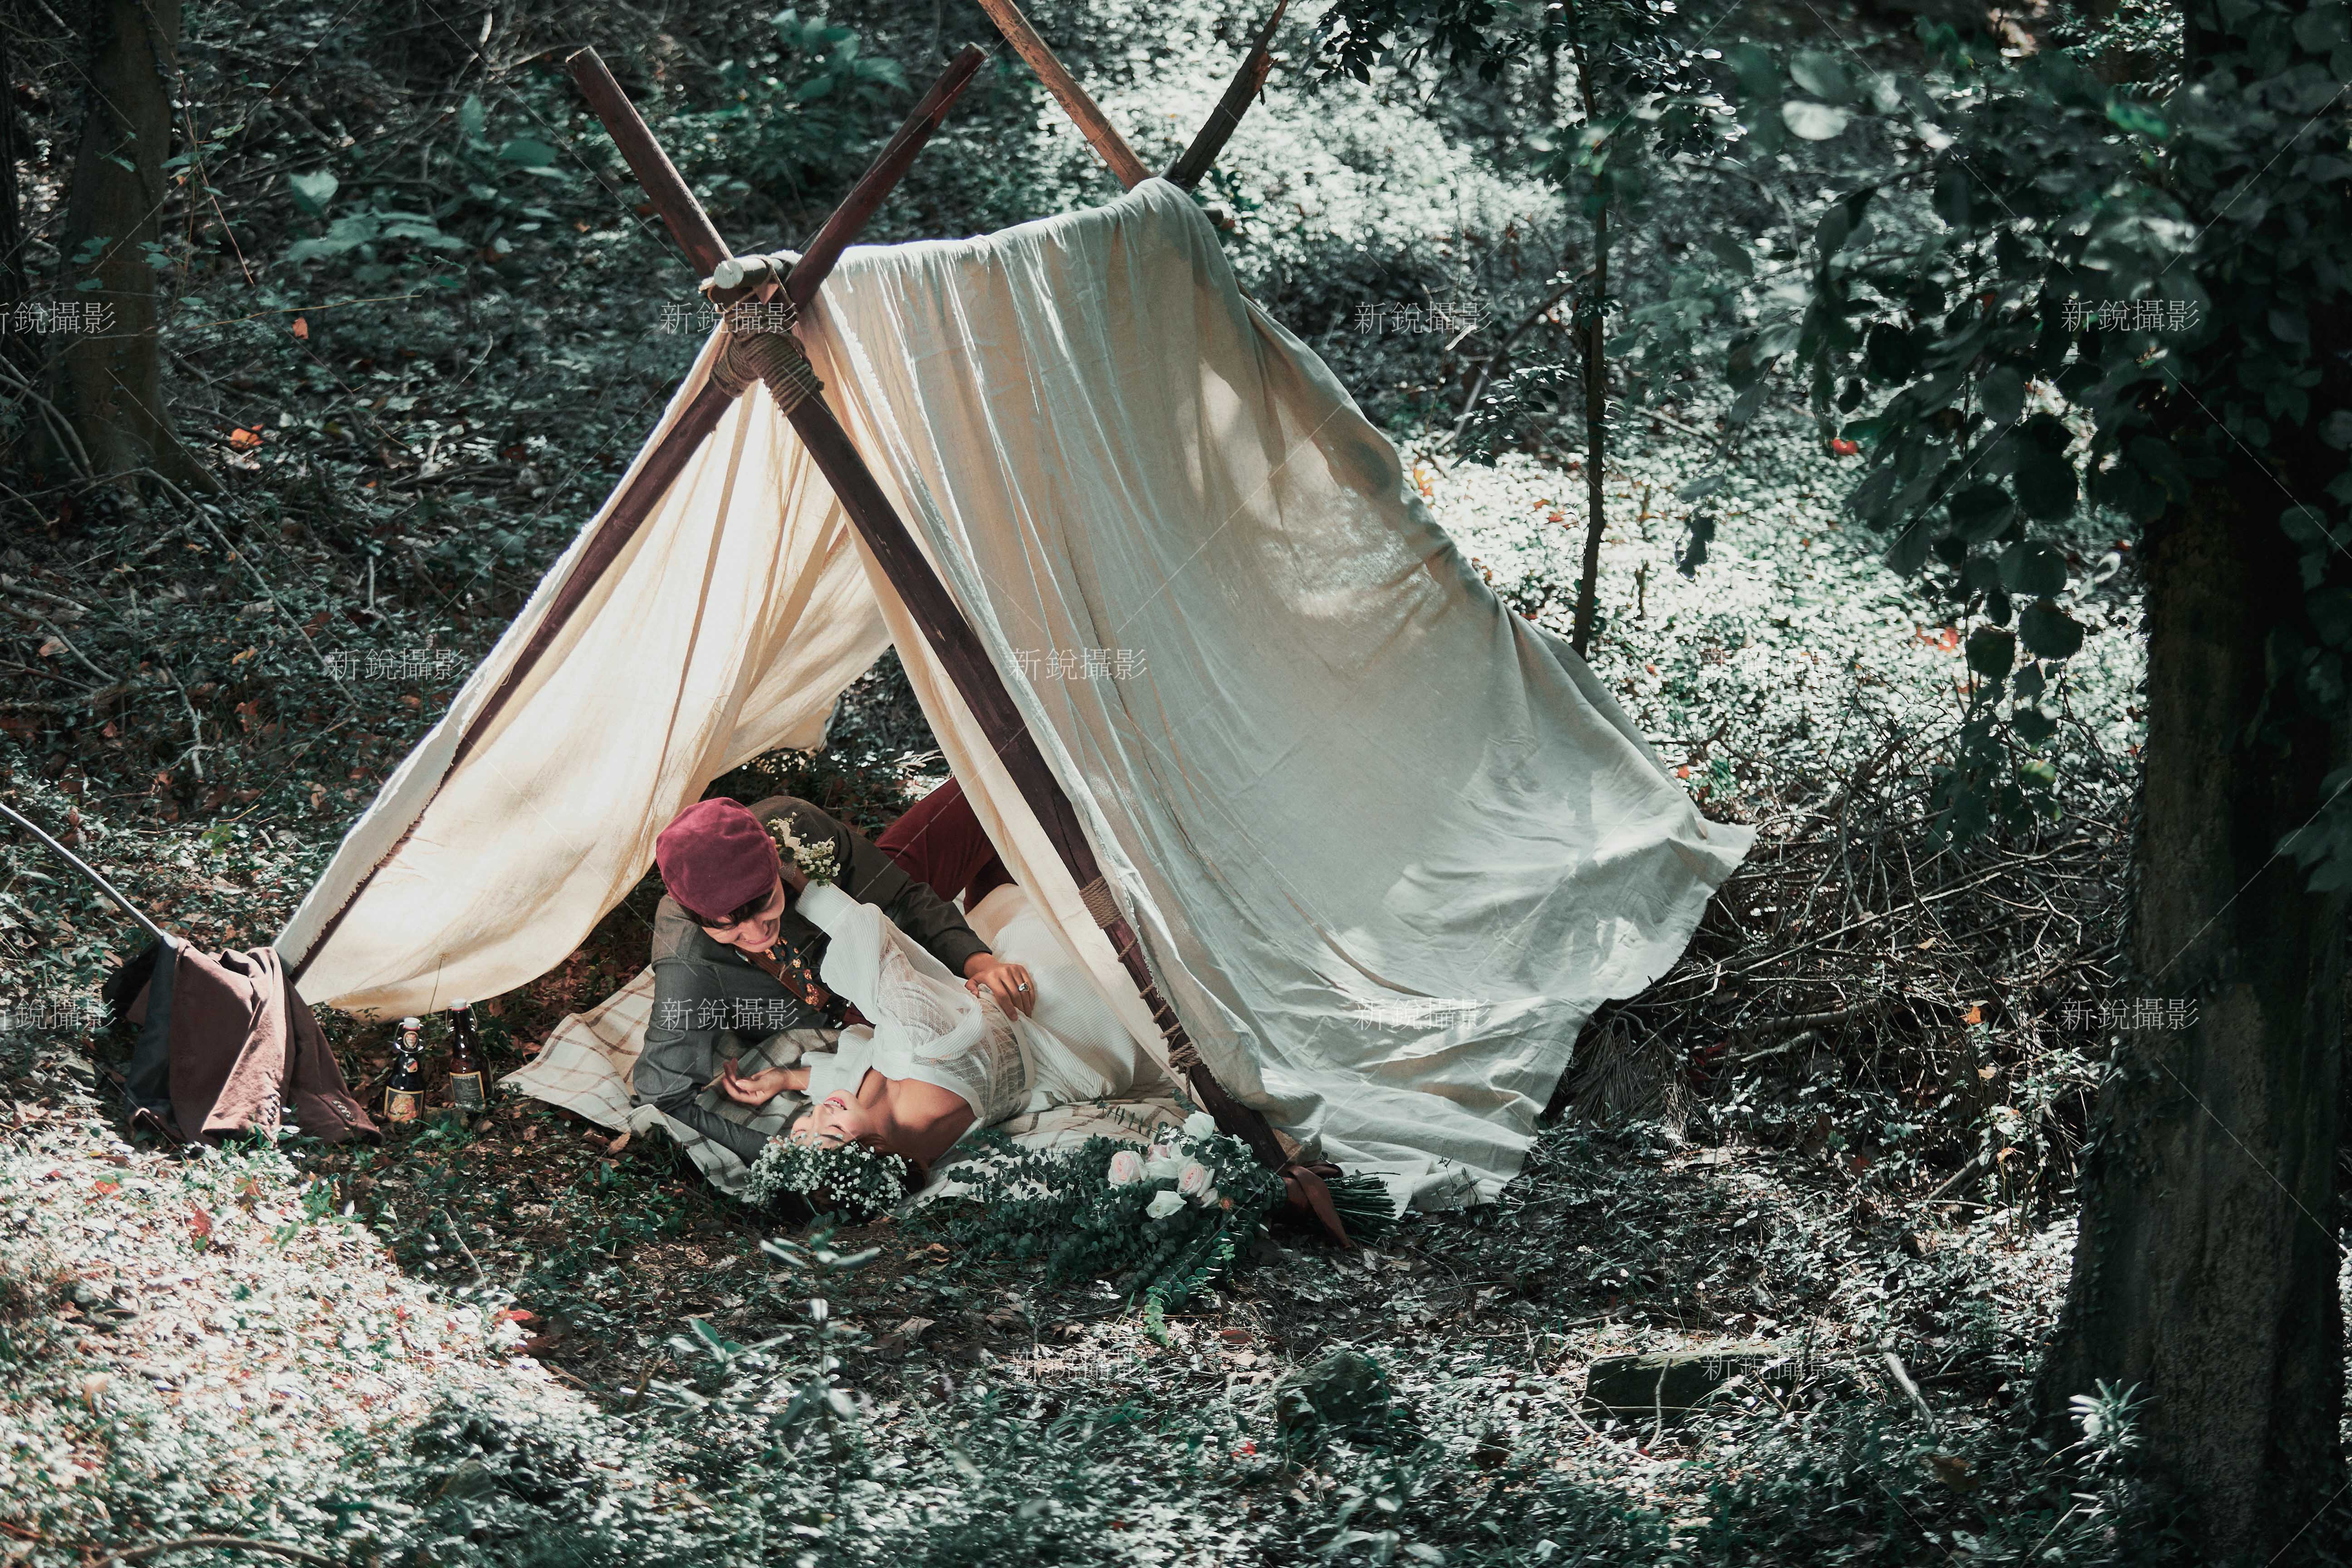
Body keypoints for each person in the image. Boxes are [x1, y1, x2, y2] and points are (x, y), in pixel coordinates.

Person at [631, 793, 1039, 1168]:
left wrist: (977, 961)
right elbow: (663, 1093)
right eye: (731, 929)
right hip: (834, 1008)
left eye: (764, 905)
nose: (756, 934)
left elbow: (899, 898)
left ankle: (999, 889)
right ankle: (998, 896)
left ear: (775, 860)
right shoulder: (684, 950)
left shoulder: (796, 831)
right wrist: (790, 1158)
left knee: (980, 792)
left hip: (877, 935)